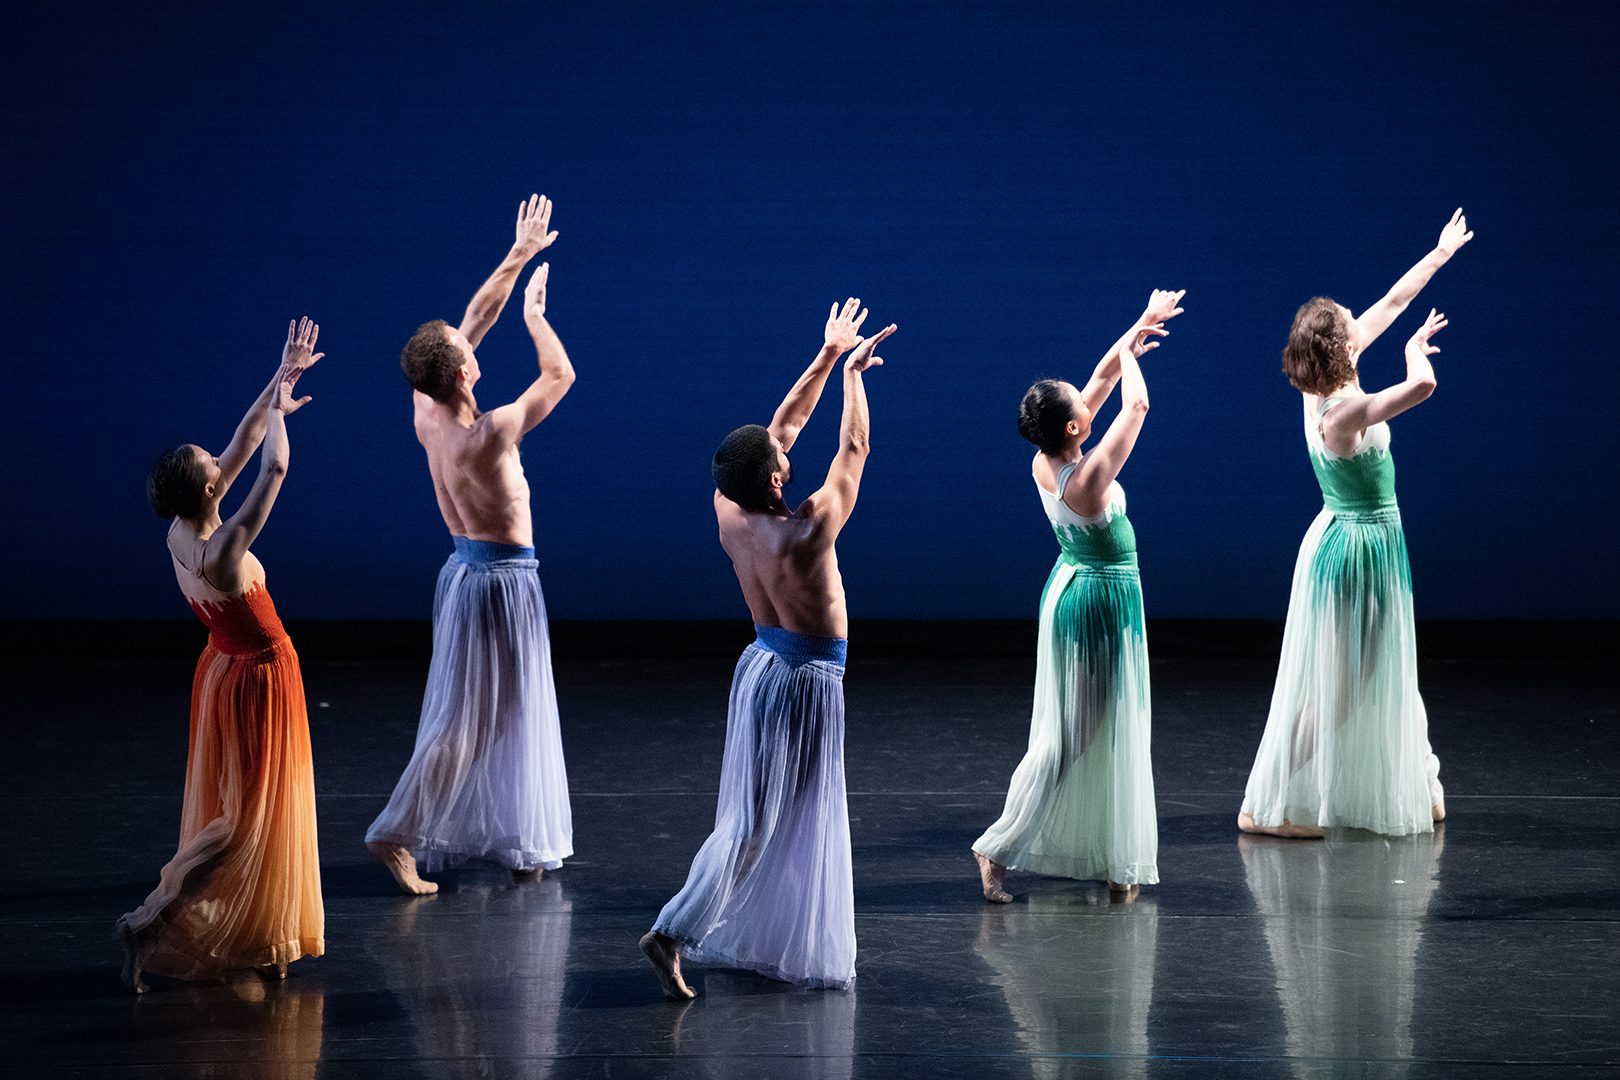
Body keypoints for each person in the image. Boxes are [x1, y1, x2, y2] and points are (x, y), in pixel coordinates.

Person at [640, 299, 896, 998]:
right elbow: (854, 451)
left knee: (782, 813)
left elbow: (780, 430)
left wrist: (826, 353)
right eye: (781, 462)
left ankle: (756, 931)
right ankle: (672, 929)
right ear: (777, 480)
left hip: (762, 665)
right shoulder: (805, 532)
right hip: (806, 679)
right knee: (757, 821)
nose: (788, 449)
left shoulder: (729, 508)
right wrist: (852, 379)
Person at [1239, 209, 1474, 838]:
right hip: (1354, 548)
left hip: (1368, 538)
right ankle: (1272, 804)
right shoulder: (1341, 411)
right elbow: (1420, 388)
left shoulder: (1323, 382)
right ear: (1343, 347)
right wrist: (1413, 353)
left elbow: (1394, 300)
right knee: (1342, 688)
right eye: (1351, 326)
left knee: (1390, 661)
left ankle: (1421, 780)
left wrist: (1440, 251)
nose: (1358, 324)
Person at [367, 194, 575, 892]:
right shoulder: (489, 435)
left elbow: (473, 318)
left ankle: (518, 842)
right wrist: (537, 318)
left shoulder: (426, 406)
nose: (471, 339)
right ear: (463, 373)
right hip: (499, 583)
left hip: (469, 573)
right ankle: (397, 831)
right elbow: (559, 378)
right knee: (477, 723)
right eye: (465, 350)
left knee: (502, 713)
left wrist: (520, 252)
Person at [119, 318, 327, 992]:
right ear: (211, 492)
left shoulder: (182, 533)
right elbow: (274, 464)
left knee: (249, 808)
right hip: (259, 677)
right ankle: (157, 910)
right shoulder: (225, 552)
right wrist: (284, 418)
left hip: (222, 669)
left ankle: (264, 935)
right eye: (212, 465)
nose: (220, 459)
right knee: (246, 819)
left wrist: (281, 379)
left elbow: (242, 442)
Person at [972, 290, 1184, 904]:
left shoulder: (1048, 457)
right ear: (1073, 427)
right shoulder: (1086, 481)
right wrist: (1134, 359)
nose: (1089, 394)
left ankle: (1116, 859)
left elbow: (1100, 378)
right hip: (1094, 605)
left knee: (1105, 727)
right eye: (1080, 404)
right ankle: (998, 846)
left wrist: (1138, 325)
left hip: (1085, 593)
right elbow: (1136, 401)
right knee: (1077, 736)